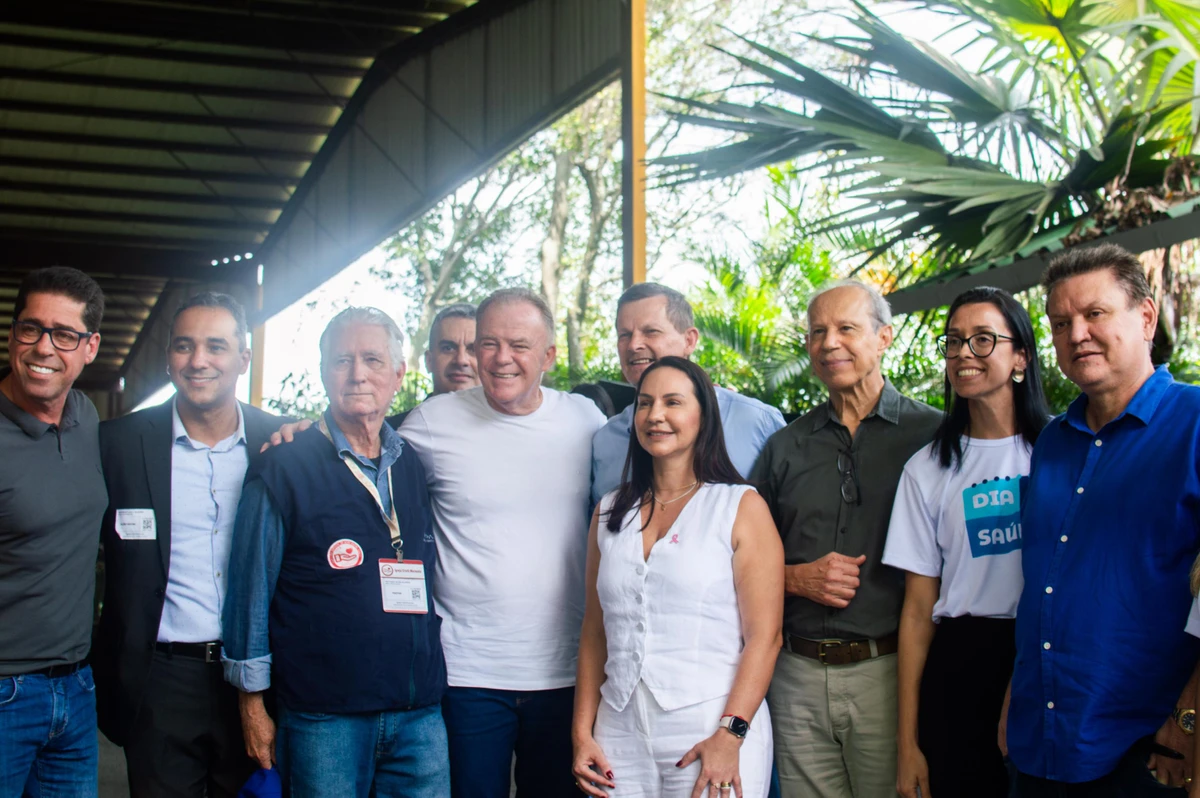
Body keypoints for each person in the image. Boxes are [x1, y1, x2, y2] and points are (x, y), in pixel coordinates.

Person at [222, 307, 448, 797]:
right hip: (324, 717)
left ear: (398, 373)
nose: (358, 373)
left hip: (419, 716)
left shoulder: (411, 464)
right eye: (342, 361)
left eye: (372, 359)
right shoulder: (283, 465)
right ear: (323, 372)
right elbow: (250, 591)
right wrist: (251, 704)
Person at [1004, 242, 1200, 796]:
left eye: (1095, 314)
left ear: (1145, 317)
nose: (1076, 334)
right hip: (1041, 742)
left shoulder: (1194, 422)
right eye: (1061, 322)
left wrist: (1189, 718)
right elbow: (1042, 589)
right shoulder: (1052, 446)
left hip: (1150, 747)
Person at [399, 287, 607, 797]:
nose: (500, 358)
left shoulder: (585, 421)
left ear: (549, 356)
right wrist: (298, 432)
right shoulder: (432, 422)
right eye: (487, 344)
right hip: (467, 672)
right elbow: (361, 460)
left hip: (566, 673)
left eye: (518, 344)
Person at [752, 279, 942, 798]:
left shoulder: (935, 436)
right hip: (795, 677)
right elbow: (736, 557)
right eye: (817, 332)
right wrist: (794, 578)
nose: (829, 343)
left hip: (889, 674)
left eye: (846, 329)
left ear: (883, 339)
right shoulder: (783, 447)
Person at [93, 292, 287, 797]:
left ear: (242, 359)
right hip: (159, 677)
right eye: (184, 346)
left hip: (256, 680)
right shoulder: (118, 444)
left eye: (215, 346)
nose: (198, 360)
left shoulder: (283, 445)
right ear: (168, 357)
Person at [572, 356, 784, 798]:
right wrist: (582, 733)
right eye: (645, 404)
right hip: (618, 730)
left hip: (710, 724)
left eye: (673, 402)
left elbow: (765, 637)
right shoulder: (609, 511)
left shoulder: (741, 507)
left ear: (703, 415)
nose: (656, 415)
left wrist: (731, 734)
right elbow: (594, 631)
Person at [883, 287, 1050, 798]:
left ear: (1020, 355)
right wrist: (908, 743)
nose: (963, 354)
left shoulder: (1059, 451)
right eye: (954, 341)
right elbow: (916, 610)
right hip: (960, 664)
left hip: (1043, 655)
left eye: (982, 340)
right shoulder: (928, 468)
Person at [0, 266, 107, 797]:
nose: (44, 347)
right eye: (31, 328)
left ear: (89, 347)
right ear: (13, 332)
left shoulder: (85, 418)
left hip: (76, 690)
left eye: (64, 335)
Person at [591, 283, 784, 503]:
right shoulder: (607, 440)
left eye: (650, 332)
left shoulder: (757, 422)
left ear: (689, 340)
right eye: (624, 335)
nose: (633, 345)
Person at [387, 302, 478, 427]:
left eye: (473, 350)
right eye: (448, 348)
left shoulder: (511, 433)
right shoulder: (391, 435)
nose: (461, 360)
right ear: (428, 361)